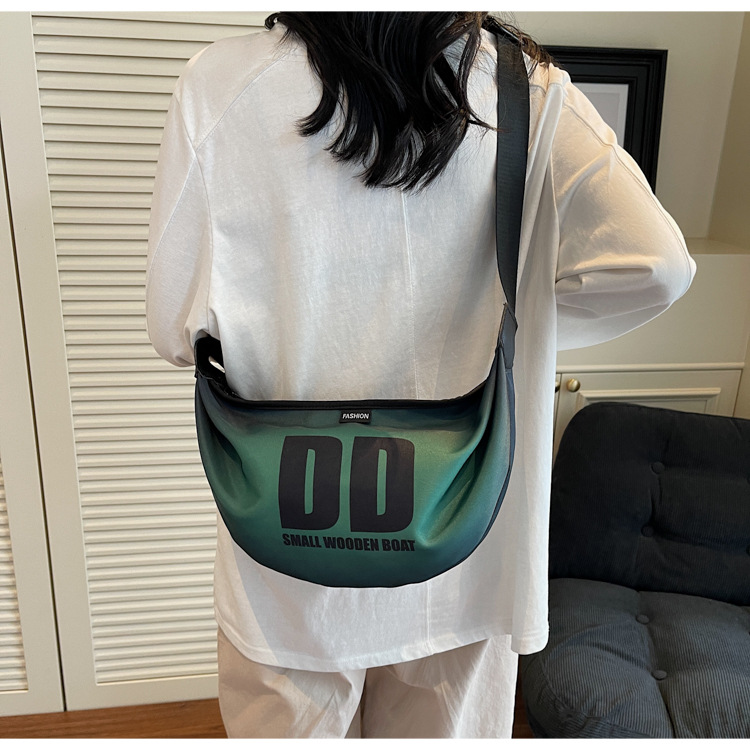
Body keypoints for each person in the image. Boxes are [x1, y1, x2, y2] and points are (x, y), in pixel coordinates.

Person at [145, 11, 696, 738]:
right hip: (462, 554)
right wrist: (523, 330)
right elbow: (657, 265)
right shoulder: (523, 89)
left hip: (284, 556)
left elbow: (174, 330)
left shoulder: (220, 83)